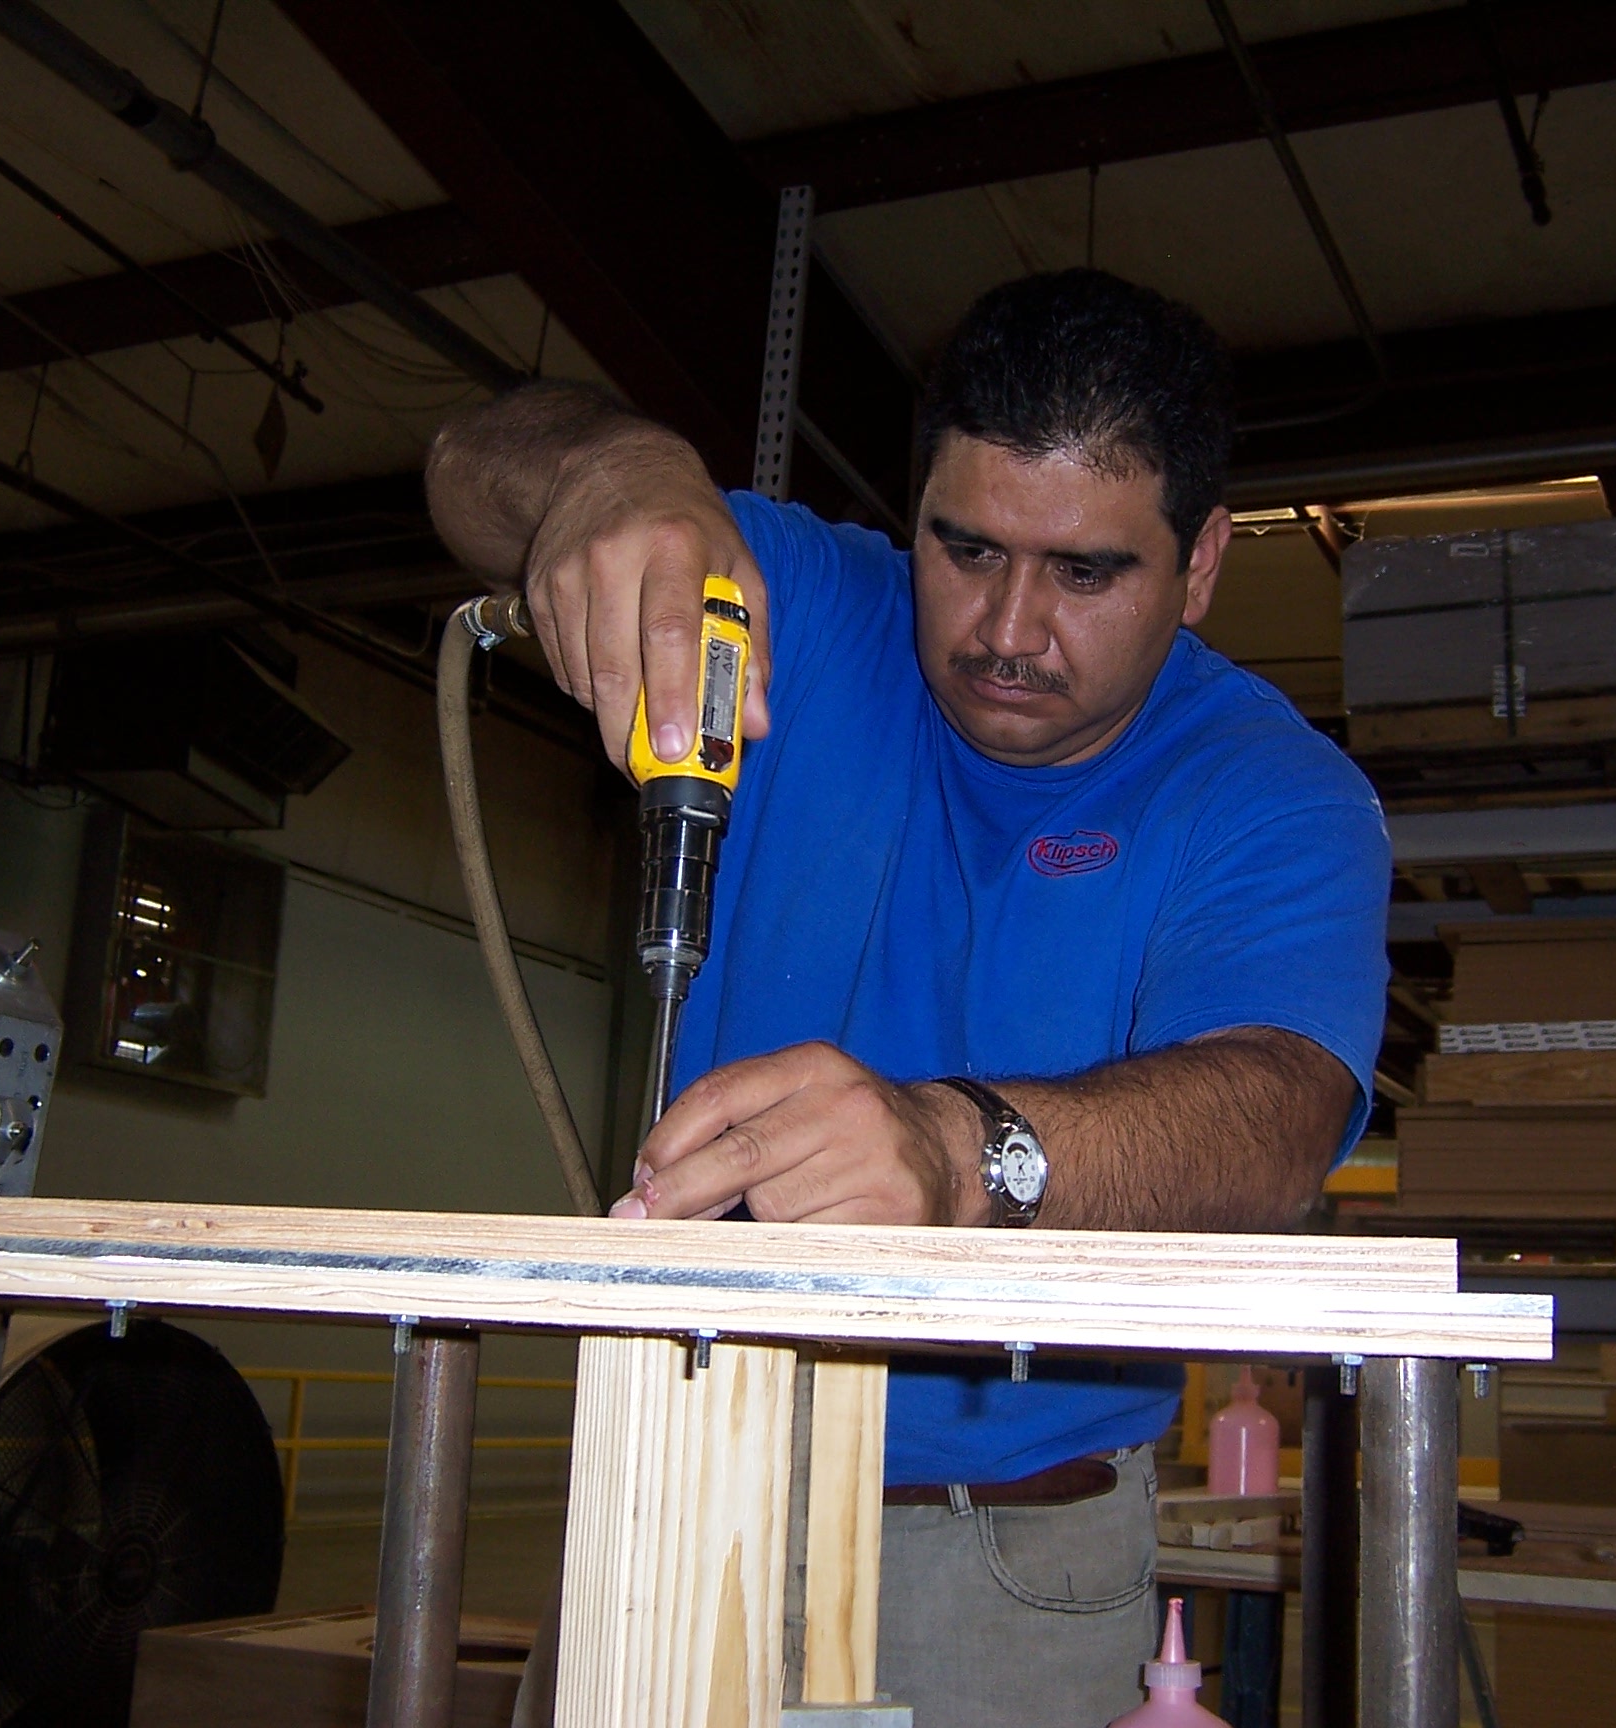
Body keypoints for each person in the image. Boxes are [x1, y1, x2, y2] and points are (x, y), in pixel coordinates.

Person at [427, 270, 1389, 1728]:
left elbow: (1274, 1118)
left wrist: (962, 1150)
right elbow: (465, 464)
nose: (1008, 627)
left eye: (1085, 573)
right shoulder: (806, 609)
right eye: (968, 547)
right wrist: (614, 476)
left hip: (1004, 1556)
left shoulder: (1271, 793)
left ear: (1200, 565)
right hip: (674, 1481)